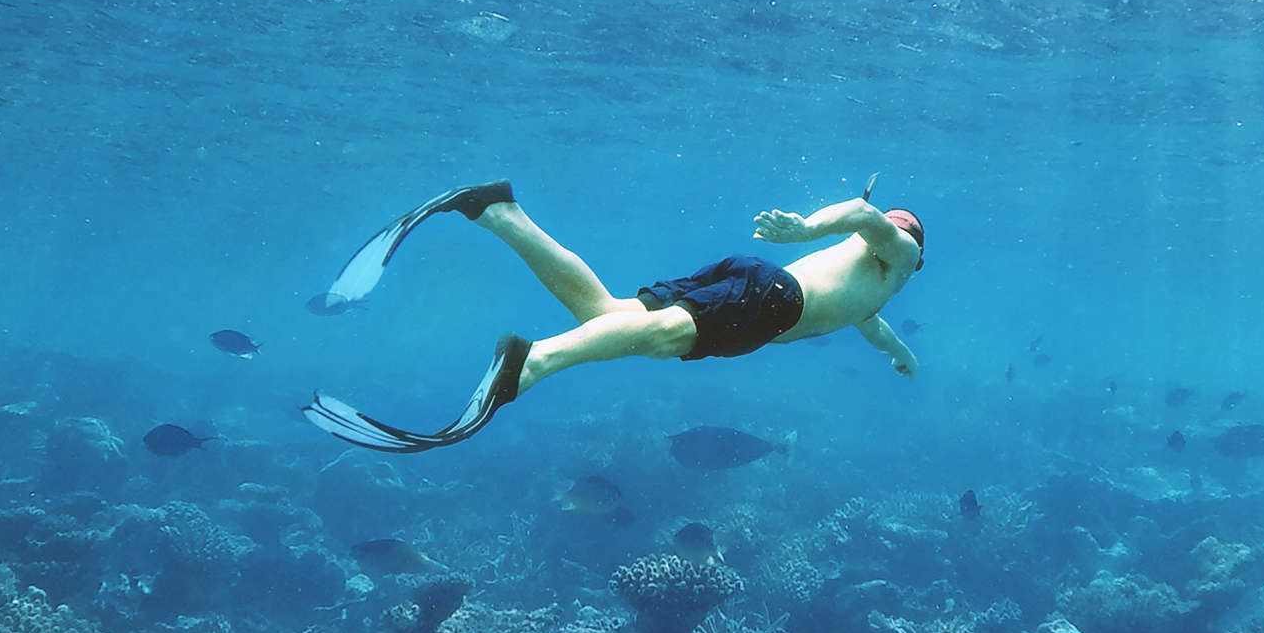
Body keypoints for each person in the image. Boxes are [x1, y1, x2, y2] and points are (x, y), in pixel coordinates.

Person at [302, 180, 923, 452]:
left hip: (757, 281)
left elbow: (871, 325)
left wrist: (901, 354)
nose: (891, 235)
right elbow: (867, 218)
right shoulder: (901, 253)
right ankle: (532, 362)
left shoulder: (873, 294)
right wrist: (808, 227)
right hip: (775, 301)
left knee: (606, 313)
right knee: (659, 338)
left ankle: (498, 212)